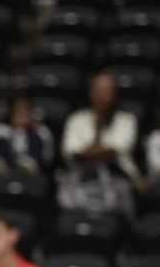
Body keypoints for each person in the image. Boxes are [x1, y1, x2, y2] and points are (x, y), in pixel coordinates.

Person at [58, 74, 139, 217]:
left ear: (115, 95)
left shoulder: (126, 120)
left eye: (107, 90)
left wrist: (88, 152)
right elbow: (71, 152)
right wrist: (98, 151)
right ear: (90, 93)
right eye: (98, 90)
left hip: (116, 177)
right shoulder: (76, 119)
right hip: (81, 178)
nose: (102, 95)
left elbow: (115, 150)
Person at [0, 97, 54, 176]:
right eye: (17, 111)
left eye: (24, 112)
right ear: (10, 113)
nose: (19, 115)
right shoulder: (0, 131)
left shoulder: (36, 135)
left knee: (30, 156)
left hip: (29, 175)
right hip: (6, 172)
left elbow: (47, 157)